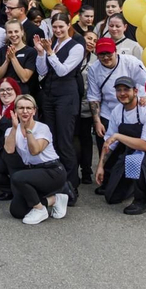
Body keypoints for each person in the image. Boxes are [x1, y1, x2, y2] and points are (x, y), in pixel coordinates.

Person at [96, 76, 146, 215]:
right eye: (119, 90)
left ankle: (143, 201)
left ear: (136, 91)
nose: (122, 93)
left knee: (139, 164)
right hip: (133, 150)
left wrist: (118, 136)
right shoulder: (117, 111)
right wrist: (101, 166)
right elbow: (109, 143)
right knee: (112, 197)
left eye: (126, 89)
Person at [34, 16, 86, 192]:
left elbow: (63, 71)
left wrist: (50, 53)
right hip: (49, 96)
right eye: (55, 27)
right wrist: (41, 53)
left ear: (69, 26)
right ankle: (56, 181)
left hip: (66, 96)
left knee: (65, 142)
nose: (57, 30)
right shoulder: (53, 45)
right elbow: (42, 71)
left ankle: (72, 184)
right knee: (52, 140)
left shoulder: (77, 47)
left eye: (61, 27)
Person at [4, 94, 70, 225]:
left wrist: (28, 130)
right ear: (15, 110)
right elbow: (9, 150)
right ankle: (55, 200)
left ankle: (40, 209)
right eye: (21, 108)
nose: (25, 111)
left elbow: (35, 151)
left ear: (34, 110)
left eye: (29, 108)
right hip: (34, 173)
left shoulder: (42, 128)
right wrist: (16, 128)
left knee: (17, 177)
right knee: (16, 211)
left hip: (53, 171)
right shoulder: (11, 130)